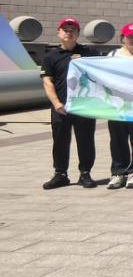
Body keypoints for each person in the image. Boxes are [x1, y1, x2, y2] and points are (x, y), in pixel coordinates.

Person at [41, 17, 100, 190]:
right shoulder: (51, 56)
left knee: (86, 141)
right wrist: (56, 103)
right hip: (61, 107)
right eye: (65, 29)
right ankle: (60, 174)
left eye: (73, 30)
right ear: (58, 32)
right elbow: (47, 81)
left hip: (84, 106)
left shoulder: (89, 53)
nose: (69, 32)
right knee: (60, 141)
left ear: (78, 33)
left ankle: (85, 174)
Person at [105, 23, 133, 190]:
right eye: (129, 36)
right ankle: (118, 172)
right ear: (122, 38)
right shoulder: (113, 55)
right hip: (117, 105)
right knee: (118, 139)